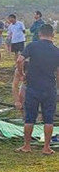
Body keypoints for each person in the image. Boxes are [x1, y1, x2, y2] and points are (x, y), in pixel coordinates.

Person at [16, 23, 59, 155]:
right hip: (49, 88)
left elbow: (19, 60)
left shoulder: (32, 46)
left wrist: (22, 74)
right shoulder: (56, 51)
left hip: (33, 87)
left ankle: (27, 146)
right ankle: (46, 147)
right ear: (53, 35)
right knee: (48, 119)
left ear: (40, 34)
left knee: (29, 118)